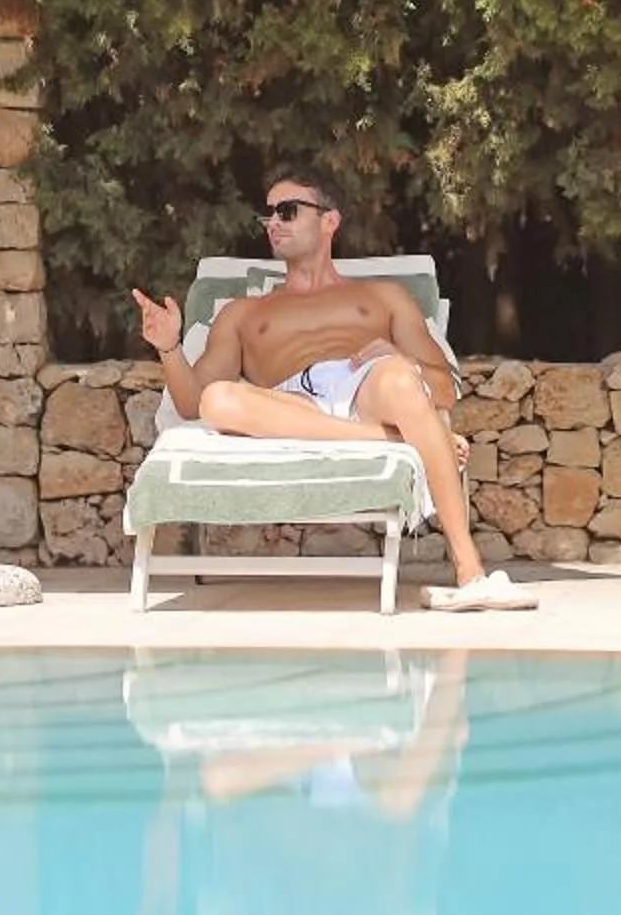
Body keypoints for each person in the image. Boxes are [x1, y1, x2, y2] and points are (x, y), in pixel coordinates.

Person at [129, 164, 528, 612]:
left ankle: (471, 574)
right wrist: (169, 347)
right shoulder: (243, 313)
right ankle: (404, 439)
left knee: (400, 377)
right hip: (290, 402)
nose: (273, 223)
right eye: (269, 215)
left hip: (364, 387)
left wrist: (398, 358)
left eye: (287, 211)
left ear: (329, 220)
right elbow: (190, 404)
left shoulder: (383, 297)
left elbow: (444, 389)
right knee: (218, 399)